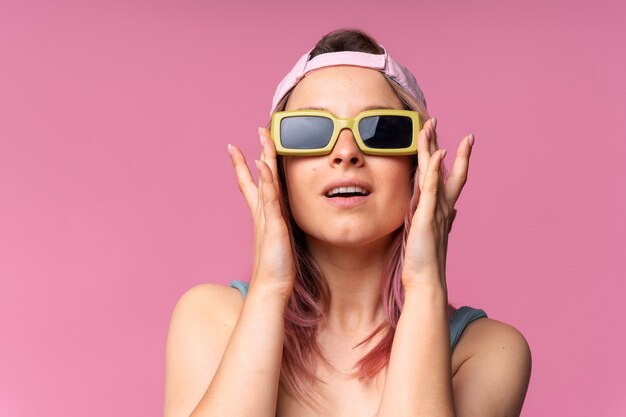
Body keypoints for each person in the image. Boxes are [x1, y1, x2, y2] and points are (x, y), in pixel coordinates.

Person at [164, 28, 532, 417]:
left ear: (418, 165)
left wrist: (425, 286)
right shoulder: (211, 318)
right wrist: (270, 288)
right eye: (308, 133)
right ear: (279, 168)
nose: (345, 152)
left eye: (381, 130)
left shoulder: (488, 351)